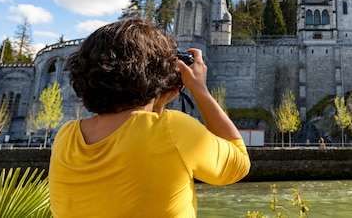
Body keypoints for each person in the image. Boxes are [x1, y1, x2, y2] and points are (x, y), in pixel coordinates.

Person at [48, 18, 250, 217]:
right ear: (156, 73)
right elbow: (238, 164)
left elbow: (140, 133)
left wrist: (157, 102)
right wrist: (200, 90)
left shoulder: (66, 137)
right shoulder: (172, 129)